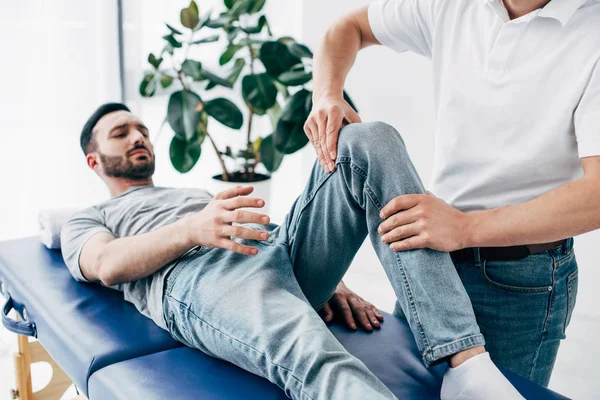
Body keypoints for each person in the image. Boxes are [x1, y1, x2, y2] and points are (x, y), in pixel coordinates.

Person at [60, 103, 525, 400]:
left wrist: (332, 279)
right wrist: (193, 228)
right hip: (199, 276)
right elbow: (105, 265)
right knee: (315, 357)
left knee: (367, 139)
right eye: (122, 132)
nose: (139, 136)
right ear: (94, 161)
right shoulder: (89, 217)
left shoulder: (189, 191)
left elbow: (263, 226)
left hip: (277, 252)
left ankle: (466, 363)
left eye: (141, 128)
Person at [306, 0, 600, 388]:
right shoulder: (453, 3)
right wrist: (328, 94)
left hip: (520, 278)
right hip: (429, 257)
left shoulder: (591, 33)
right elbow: (348, 27)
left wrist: (465, 228)